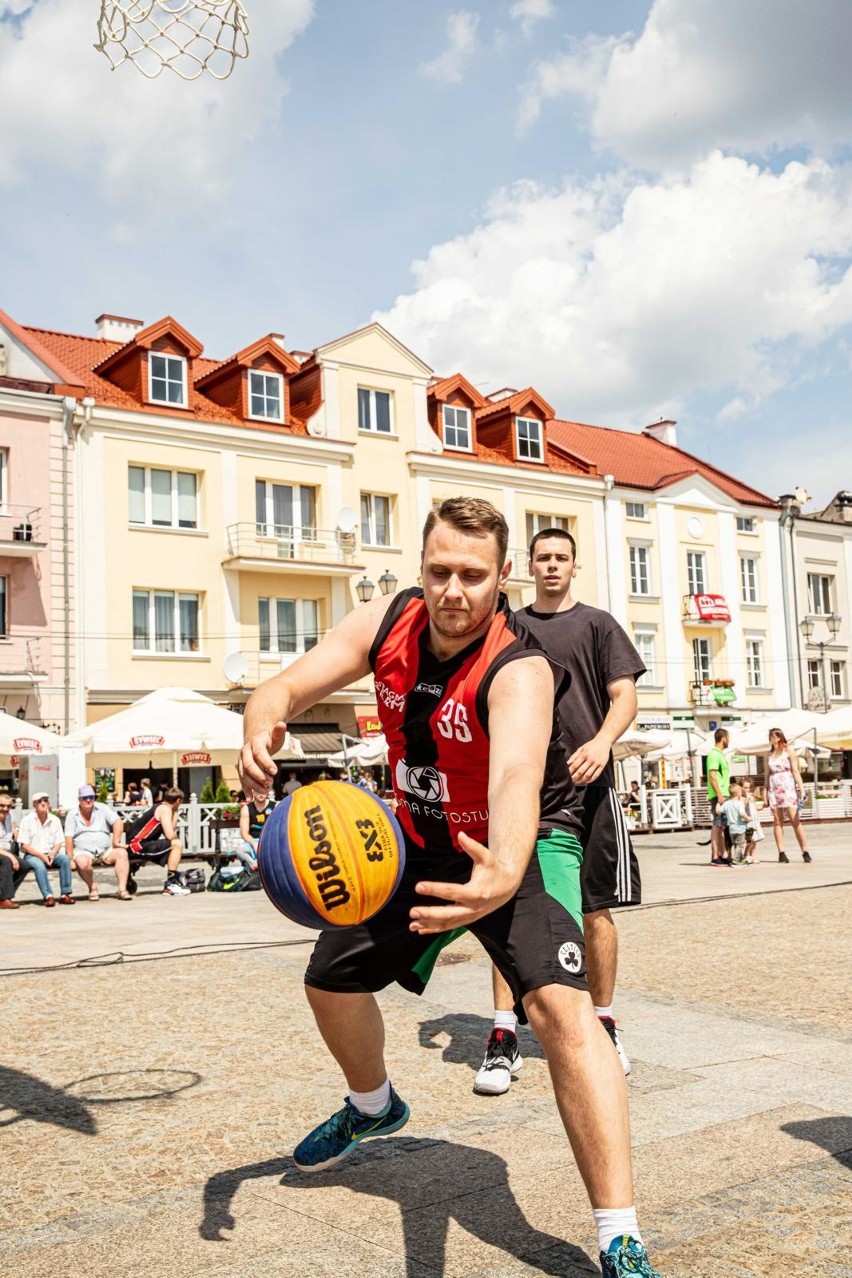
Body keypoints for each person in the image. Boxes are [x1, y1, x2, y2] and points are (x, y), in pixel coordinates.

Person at [239, 497, 663, 1278]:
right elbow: (285, 688)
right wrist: (261, 724)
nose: (453, 591)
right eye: (438, 571)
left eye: (473, 575)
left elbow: (513, 779)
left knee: (565, 1016)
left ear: (502, 578)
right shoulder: (385, 620)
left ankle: (619, 1235)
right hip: (412, 848)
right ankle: (375, 1108)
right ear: (420, 568)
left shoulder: (522, 667)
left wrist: (500, 873)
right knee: (328, 983)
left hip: (511, 847)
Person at [474, 527, 645, 1094]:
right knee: (505, 904)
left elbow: (625, 697)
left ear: (575, 566)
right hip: (528, 789)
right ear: (529, 565)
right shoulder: (513, 627)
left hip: (591, 787)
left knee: (597, 911)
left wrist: (600, 743)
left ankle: (602, 1020)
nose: (551, 566)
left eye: (561, 558)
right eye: (543, 558)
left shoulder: (598, 625)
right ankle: (504, 1034)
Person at [65, 784, 132, 900]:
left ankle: (122, 889)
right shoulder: (72, 814)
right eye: (85, 797)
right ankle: (92, 887)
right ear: (79, 799)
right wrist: (70, 858)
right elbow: (68, 837)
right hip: (83, 851)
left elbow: (118, 822)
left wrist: (115, 841)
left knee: (122, 853)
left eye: (91, 797)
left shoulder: (102, 808)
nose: (88, 800)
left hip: (105, 850)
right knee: (81, 861)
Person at [126, 787, 190, 894]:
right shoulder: (164, 809)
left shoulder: (161, 807)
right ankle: (171, 884)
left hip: (136, 845)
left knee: (174, 844)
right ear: (178, 800)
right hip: (139, 846)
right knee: (177, 844)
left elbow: (169, 832)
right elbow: (170, 835)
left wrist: (175, 813)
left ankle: (172, 882)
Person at [18, 793, 74, 906]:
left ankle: (65, 894)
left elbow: (59, 841)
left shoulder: (55, 820)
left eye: (45, 800)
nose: (43, 803)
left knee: (64, 859)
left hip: (50, 853)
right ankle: (48, 896)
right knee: (39, 866)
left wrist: (53, 852)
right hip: (32, 855)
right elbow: (24, 845)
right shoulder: (27, 820)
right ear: (34, 804)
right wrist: (41, 856)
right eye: (40, 801)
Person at [766, 728, 811, 863]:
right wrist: (765, 792)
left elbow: (796, 771)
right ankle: (781, 852)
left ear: (779, 737)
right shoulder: (769, 754)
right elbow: (766, 775)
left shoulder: (788, 750)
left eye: (772, 736)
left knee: (794, 820)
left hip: (787, 786)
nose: (770, 738)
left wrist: (802, 790)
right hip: (774, 786)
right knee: (777, 821)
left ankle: (805, 850)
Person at [706, 728, 731, 866]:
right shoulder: (714, 755)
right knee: (717, 825)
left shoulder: (719, 754)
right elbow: (712, 777)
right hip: (719, 795)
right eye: (728, 737)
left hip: (723, 794)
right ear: (724, 738)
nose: (729, 740)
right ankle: (715, 856)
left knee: (721, 826)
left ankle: (722, 854)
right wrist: (720, 796)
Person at [235, 792, 276, 871]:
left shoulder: (275, 806)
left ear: (267, 791)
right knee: (239, 850)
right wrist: (254, 844)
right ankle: (254, 864)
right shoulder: (246, 808)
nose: (261, 794)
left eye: (262, 791)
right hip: (253, 841)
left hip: (270, 841)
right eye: (258, 791)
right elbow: (244, 833)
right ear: (253, 792)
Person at [0, 793, 21, 909]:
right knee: (7, 861)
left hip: (7, 851)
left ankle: (4, 893)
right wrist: (12, 857)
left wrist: (16, 831)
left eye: (8, 806)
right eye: (2, 805)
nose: (5, 809)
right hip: (3, 854)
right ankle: (4, 899)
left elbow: (14, 828)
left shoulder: (10, 816)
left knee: (24, 865)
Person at [720, 783, 749, 864]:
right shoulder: (739, 803)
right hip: (740, 828)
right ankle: (735, 860)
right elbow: (742, 814)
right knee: (740, 845)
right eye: (741, 791)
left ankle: (741, 859)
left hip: (731, 829)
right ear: (738, 793)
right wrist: (748, 819)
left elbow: (718, 811)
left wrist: (717, 804)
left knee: (736, 845)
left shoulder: (727, 803)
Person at [741, 779, 764, 864]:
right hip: (748, 820)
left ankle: (752, 855)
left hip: (754, 819)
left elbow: (754, 806)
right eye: (745, 787)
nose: (747, 789)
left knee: (755, 839)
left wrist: (762, 806)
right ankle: (746, 855)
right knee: (749, 839)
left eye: (748, 788)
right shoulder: (741, 798)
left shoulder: (751, 797)